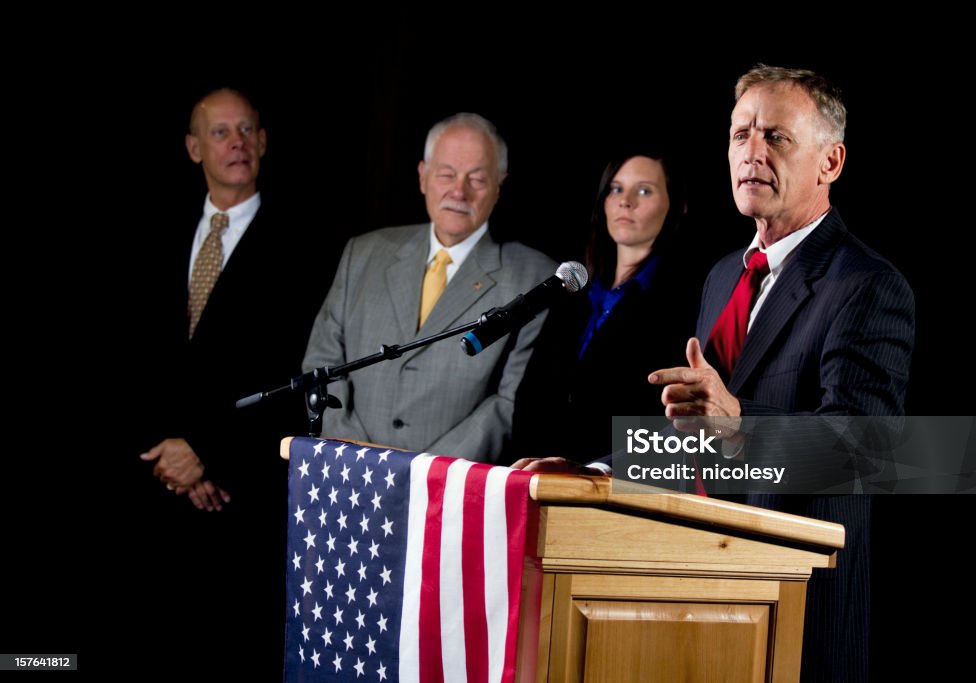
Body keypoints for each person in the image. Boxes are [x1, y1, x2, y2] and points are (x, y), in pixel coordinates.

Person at [644, 65, 915, 681]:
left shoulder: (867, 285)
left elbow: (863, 448)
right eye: (740, 135)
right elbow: (700, 441)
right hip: (695, 584)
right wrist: (603, 469)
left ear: (831, 163)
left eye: (776, 137)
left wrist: (739, 425)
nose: (751, 152)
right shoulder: (722, 277)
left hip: (795, 610)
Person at [131, 87, 331, 676]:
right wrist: (167, 452)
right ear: (194, 148)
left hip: (241, 496)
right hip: (156, 479)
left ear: (264, 142)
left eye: (247, 130)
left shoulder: (309, 244)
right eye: (221, 132)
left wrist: (209, 456)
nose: (237, 143)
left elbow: (299, 373)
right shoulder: (154, 230)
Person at [303, 112, 556, 462]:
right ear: (423, 176)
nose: (459, 191)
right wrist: (357, 457)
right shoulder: (362, 253)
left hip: (446, 489)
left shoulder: (534, 278)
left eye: (478, 179)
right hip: (349, 476)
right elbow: (322, 362)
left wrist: (423, 473)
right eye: (447, 174)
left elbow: (509, 400)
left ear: (500, 184)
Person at [512, 151, 695, 463]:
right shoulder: (573, 290)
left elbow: (661, 421)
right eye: (616, 188)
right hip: (534, 477)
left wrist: (590, 474)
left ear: (676, 206)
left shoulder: (684, 304)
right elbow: (530, 397)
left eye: (644, 190)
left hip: (609, 488)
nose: (625, 201)